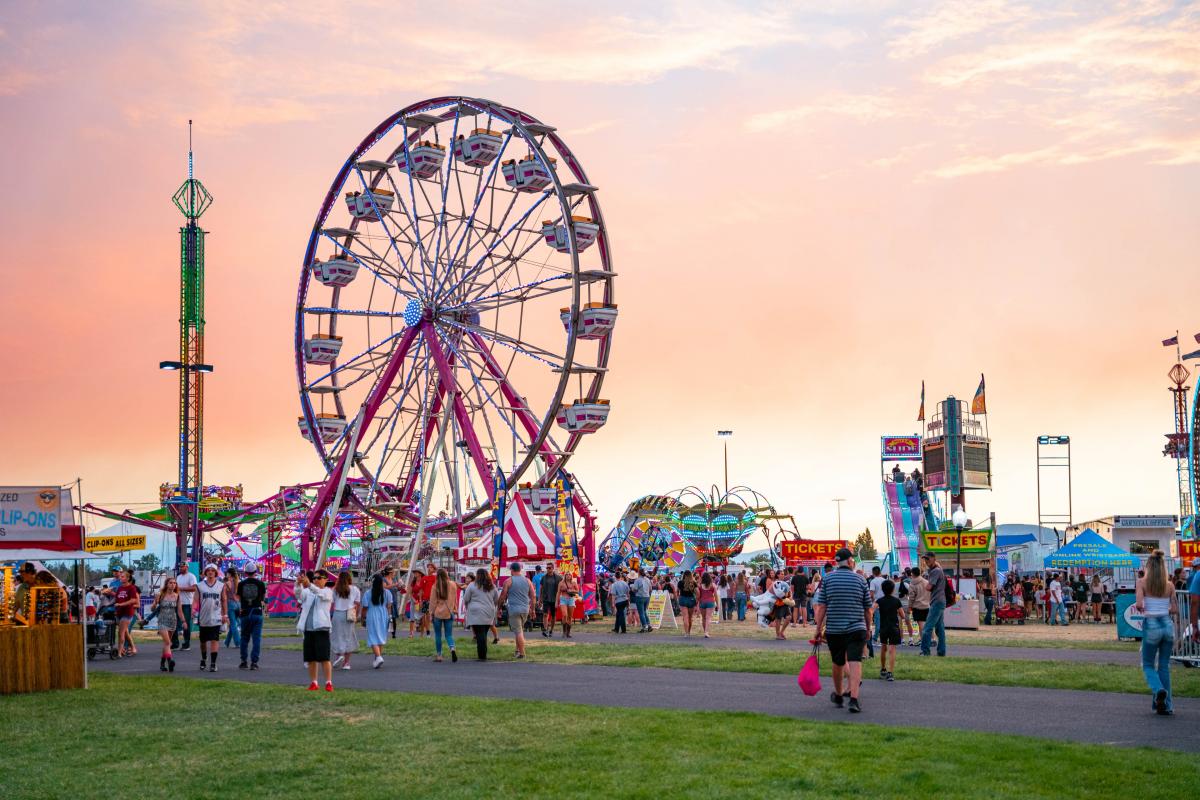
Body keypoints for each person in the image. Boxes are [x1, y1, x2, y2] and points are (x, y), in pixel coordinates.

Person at [813, 547, 872, 713]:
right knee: (855, 661)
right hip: (857, 627)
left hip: (834, 629)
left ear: (837, 562)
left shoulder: (828, 580)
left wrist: (818, 628)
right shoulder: (860, 580)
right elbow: (868, 609)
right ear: (851, 561)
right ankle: (854, 699)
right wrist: (868, 628)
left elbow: (822, 606)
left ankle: (839, 694)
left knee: (838, 662)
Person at [1136, 551, 1178, 715]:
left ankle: (1158, 689)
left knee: (1147, 665)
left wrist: (1146, 608)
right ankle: (1165, 705)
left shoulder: (1142, 583)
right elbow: (1174, 609)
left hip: (1151, 624)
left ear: (1148, 567)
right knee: (1164, 666)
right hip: (1167, 625)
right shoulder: (1170, 585)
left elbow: (1139, 605)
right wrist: (1164, 609)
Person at [295, 569, 334, 691]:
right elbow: (299, 596)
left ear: (326, 579)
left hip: (321, 628)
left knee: (324, 657)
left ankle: (328, 682)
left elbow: (319, 592)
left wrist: (309, 584)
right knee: (310, 658)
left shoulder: (328, 592)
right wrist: (298, 584)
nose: (316, 580)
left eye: (319, 578)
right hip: (308, 628)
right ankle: (314, 682)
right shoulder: (308, 591)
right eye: (314, 578)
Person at [498, 562, 534, 658]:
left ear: (512, 570)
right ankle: (517, 650)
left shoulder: (508, 581)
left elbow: (502, 596)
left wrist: (499, 608)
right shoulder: (528, 581)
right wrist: (533, 609)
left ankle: (522, 654)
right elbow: (533, 596)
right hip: (525, 609)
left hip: (514, 609)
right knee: (520, 630)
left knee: (518, 632)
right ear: (520, 570)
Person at [195, 564, 227, 672]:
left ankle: (213, 663)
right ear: (205, 572)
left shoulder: (221, 585)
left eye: (212, 570)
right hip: (203, 617)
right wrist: (193, 612)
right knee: (203, 641)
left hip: (216, 616)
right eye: (208, 570)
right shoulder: (199, 586)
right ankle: (204, 658)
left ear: (216, 573)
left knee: (214, 639)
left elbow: (224, 600)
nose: (210, 572)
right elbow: (195, 601)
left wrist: (225, 614)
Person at [462, 568, 499, 661]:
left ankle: (482, 656)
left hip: (475, 612)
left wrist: (467, 606)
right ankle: (483, 653)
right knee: (483, 633)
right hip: (488, 611)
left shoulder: (472, 585)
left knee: (480, 634)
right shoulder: (492, 586)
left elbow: (466, 599)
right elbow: (496, 599)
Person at [236, 562, 267, 670]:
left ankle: (243, 661)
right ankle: (254, 662)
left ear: (245, 572)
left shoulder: (241, 584)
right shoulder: (260, 584)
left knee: (244, 638)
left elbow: (238, 598)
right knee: (256, 639)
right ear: (255, 572)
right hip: (257, 612)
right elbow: (263, 599)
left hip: (245, 612)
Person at [874, 579, 906, 681]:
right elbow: (903, 615)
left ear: (883, 590)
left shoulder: (879, 601)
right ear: (893, 590)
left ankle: (883, 669)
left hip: (883, 626)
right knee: (892, 649)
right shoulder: (896, 601)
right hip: (894, 627)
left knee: (883, 647)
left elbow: (871, 610)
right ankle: (890, 673)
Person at [330, 570, 361, 670]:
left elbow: (331, 602)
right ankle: (346, 663)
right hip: (350, 612)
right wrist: (357, 614)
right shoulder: (355, 589)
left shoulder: (335, 590)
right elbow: (357, 603)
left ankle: (339, 655)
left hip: (338, 613)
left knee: (337, 636)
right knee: (349, 637)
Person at [429, 567, 460, 663]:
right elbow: (455, 598)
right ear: (447, 575)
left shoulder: (435, 586)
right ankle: (452, 648)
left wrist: (431, 613)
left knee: (438, 635)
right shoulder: (453, 584)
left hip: (438, 613)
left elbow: (433, 602)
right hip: (449, 612)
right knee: (449, 635)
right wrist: (455, 608)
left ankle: (439, 655)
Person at [919, 553, 946, 657]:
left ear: (934, 559)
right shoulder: (938, 570)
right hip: (939, 601)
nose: (926, 562)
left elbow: (928, 587)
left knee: (927, 628)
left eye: (928, 559)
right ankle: (941, 652)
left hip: (937, 602)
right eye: (925, 560)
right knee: (940, 629)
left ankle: (925, 651)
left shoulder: (935, 571)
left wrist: (924, 581)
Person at [151, 577, 181, 672]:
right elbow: (153, 609)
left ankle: (162, 663)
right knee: (168, 642)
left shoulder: (177, 596)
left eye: (174, 583)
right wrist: (155, 604)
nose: (173, 584)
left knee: (166, 644)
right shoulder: (161, 595)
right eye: (171, 583)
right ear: (167, 584)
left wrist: (184, 622)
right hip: (162, 620)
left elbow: (179, 611)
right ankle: (170, 660)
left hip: (172, 620)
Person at [363, 573, 392, 668]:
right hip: (383, 614)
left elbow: (365, 607)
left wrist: (363, 617)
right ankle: (377, 658)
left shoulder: (368, 593)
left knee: (372, 636)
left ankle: (378, 657)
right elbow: (389, 606)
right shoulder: (387, 592)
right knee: (381, 636)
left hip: (372, 614)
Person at [113, 569, 140, 657]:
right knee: (125, 632)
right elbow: (116, 599)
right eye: (120, 576)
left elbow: (134, 600)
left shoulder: (132, 588)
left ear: (128, 578)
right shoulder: (120, 588)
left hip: (127, 613)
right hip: (119, 613)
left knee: (120, 632)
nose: (120, 578)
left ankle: (119, 652)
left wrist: (121, 604)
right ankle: (133, 648)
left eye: (122, 576)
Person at [172, 563, 198, 651]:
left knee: (186, 623)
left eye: (182, 566)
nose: (180, 568)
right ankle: (175, 643)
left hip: (187, 603)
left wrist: (181, 589)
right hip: (178, 602)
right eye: (180, 567)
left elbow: (194, 588)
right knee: (174, 623)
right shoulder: (178, 577)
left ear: (187, 567)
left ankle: (186, 644)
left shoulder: (191, 576)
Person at [539, 563, 562, 637]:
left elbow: (561, 588)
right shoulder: (544, 578)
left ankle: (551, 630)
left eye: (549, 568)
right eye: (547, 568)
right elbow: (541, 589)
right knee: (545, 614)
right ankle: (545, 629)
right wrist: (540, 599)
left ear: (553, 568)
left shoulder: (558, 578)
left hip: (554, 599)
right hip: (546, 599)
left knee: (553, 615)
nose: (548, 569)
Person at [222, 567, 241, 649]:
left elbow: (224, 597)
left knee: (233, 625)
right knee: (233, 625)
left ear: (229, 574)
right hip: (238, 604)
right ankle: (227, 642)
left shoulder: (227, 583)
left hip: (230, 604)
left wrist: (223, 610)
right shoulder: (239, 582)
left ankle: (238, 642)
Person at [556, 571, 579, 638]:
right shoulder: (561, 583)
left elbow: (577, 591)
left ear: (571, 576)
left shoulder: (573, 583)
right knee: (564, 615)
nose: (568, 575)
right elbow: (558, 592)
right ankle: (564, 632)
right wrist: (556, 602)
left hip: (571, 600)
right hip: (563, 599)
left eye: (569, 574)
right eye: (567, 574)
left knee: (570, 617)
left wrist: (572, 591)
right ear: (565, 576)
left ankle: (568, 633)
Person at [677, 570, 698, 636]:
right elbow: (697, 592)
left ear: (684, 575)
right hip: (691, 600)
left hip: (683, 599)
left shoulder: (680, 582)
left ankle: (686, 633)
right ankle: (689, 631)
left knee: (685, 617)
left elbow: (677, 591)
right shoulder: (693, 583)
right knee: (690, 617)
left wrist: (678, 597)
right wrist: (697, 600)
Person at [697, 572, 718, 638]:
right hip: (710, 602)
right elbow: (716, 596)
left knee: (703, 618)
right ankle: (706, 632)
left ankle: (705, 631)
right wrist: (717, 604)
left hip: (702, 602)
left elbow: (698, 596)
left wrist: (697, 605)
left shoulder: (700, 586)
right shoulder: (713, 585)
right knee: (708, 617)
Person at [381, 566, 399, 638]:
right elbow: (384, 587)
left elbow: (395, 588)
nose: (394, 573)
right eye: (393, 572)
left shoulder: (394, 579)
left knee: (393, 618)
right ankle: (384, 632)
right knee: (387, 617)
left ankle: (393, 634)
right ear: (390, 573)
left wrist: (400, 587)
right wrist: (394, 585)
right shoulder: (383, 579)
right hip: (386, 601)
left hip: (394, 600)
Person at [868, 566, 884, 644]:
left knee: (878, 622)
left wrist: (872, 601)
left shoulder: (873, 581)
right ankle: (883, 638)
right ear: (880, 572)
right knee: (884, 622)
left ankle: (874, 638)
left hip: (877, 604)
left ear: (873, 572)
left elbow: (871, 594)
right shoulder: (885, 580)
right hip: (885, 603)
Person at [632, 569, 652, 633]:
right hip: (647, 597)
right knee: (644, 611)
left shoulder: (638, 580)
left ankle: (644, 626)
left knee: (641, 613)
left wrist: (632, 589)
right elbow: (650, 589)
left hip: (640, 597)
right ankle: (648, 625)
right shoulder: (647, 579)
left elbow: (634, 589)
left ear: (639, 573)